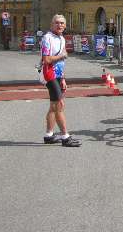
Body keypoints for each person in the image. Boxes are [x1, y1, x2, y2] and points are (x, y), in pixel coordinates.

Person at [41, 15, 81, 147]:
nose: (60, 25)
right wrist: (61, 55)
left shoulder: (62, 39)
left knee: (53, 106)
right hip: (49, 74)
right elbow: (46, 59)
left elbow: (61, 62)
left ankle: (49, 135)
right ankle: (65, 137)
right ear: (52, 24)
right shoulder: (47, 38)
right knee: (59, 105)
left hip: (58, 74)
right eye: (57, 23)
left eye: (62, 23)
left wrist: (63, 78)